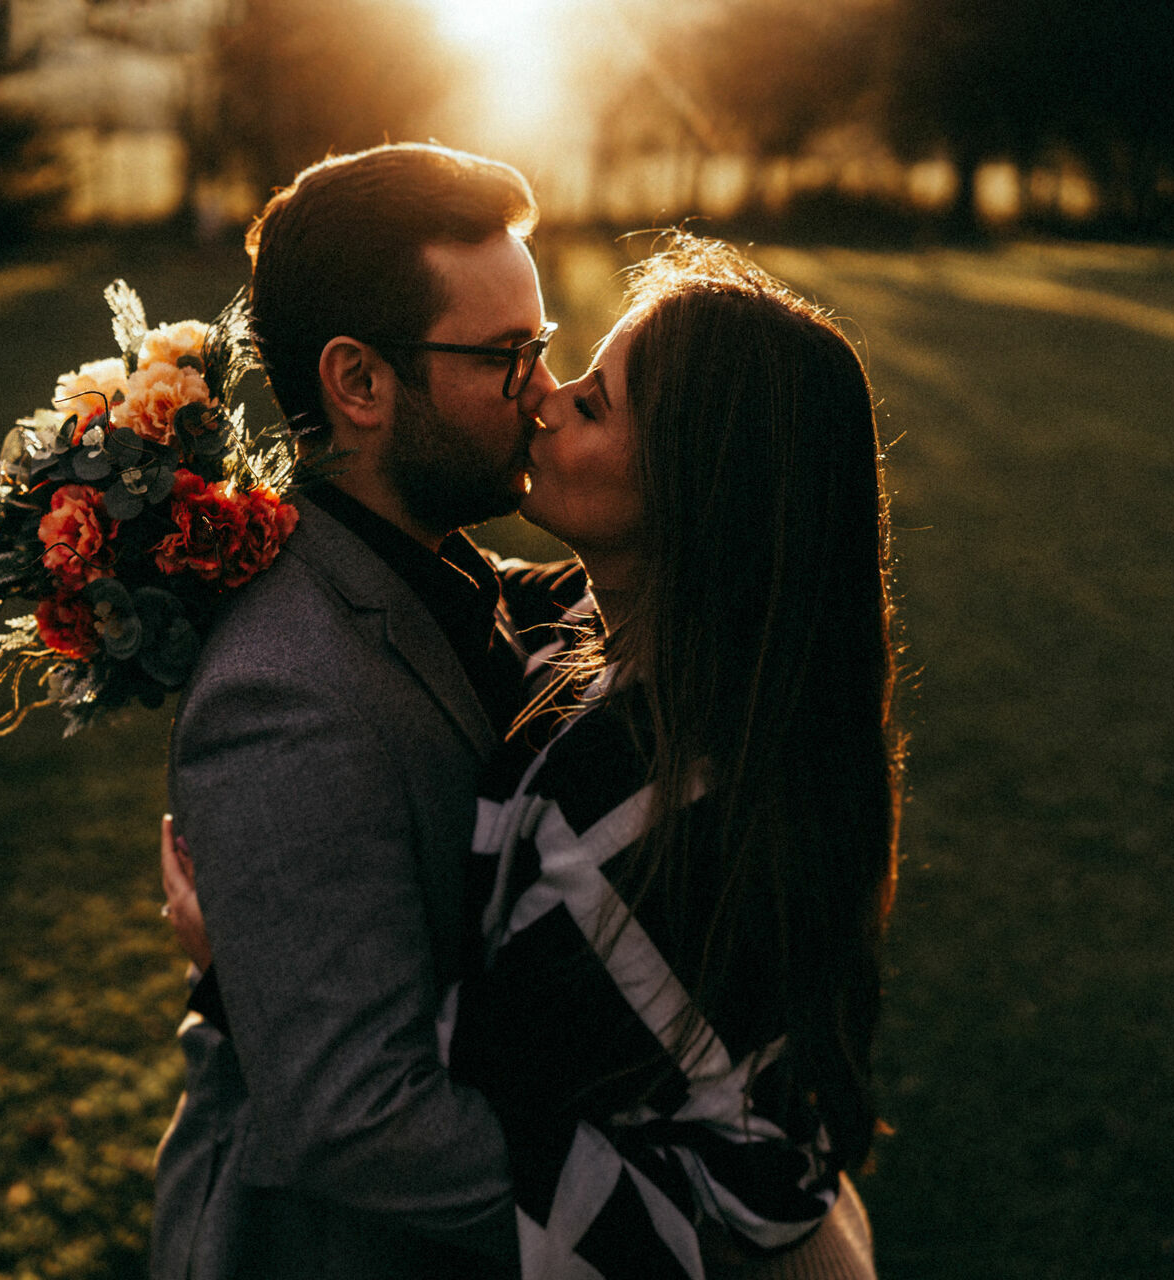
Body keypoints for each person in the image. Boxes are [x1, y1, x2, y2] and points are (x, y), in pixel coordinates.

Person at [164, 234, 903, 1278]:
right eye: (521, 358)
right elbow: (473, 590)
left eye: (592, 401)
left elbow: (455, 1078)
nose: (546, 398)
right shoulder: (729, 677)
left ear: (695, 491)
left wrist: (242, 958)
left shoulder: (620, 804)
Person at [149, 142, 570, 1280]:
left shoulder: (426, 567)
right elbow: (358, 1116)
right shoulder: (286, 695)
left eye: (541, 347)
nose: (543, 391)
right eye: (507, 357)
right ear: (360, 384)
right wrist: (646, 1226)